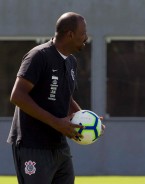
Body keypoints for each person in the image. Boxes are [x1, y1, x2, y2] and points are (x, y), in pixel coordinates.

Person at [7, 12, 100, 184]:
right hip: (33, 145)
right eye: (83, 33)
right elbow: (17, 96)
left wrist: (87, 120)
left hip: (59, 146)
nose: (86, 37)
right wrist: (56, 122)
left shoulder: (71, 62)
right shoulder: (39, 56)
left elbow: (66, 98)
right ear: (70, 35)